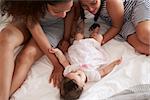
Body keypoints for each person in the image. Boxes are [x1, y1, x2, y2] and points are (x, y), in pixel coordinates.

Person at [0, 1, 73, 100]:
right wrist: (55, 63)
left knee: (27, 56)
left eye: (66, 10)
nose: (63, 15)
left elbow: (71, 13)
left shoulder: (64, 11)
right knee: (6, 39)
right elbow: (35, 29)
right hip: (29, 21)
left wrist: (66, 38)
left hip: (52, 27)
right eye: (57, 11)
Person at [50, 24, 122, 100]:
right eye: (79, 75)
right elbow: (103, 71)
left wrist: (57, 52)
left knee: (78, 35)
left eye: (73, 72)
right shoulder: (91, 75)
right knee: (99, 37)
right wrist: (114, 64)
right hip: (92, 52)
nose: (77, 71)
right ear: (83, 85)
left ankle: (82, 24)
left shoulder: (70, 70)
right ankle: (94, 33)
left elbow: (63, 60)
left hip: (79, 49)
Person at [66, 0, 150, 55]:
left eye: (93, 3)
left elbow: (116, 26)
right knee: (141, 47)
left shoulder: (112, 1)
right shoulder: (78, 3)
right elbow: (75, 18)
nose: (90, 9)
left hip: (135, 6)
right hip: (123, 21)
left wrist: (99, 41)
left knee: (144, 35)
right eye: (85, 6)